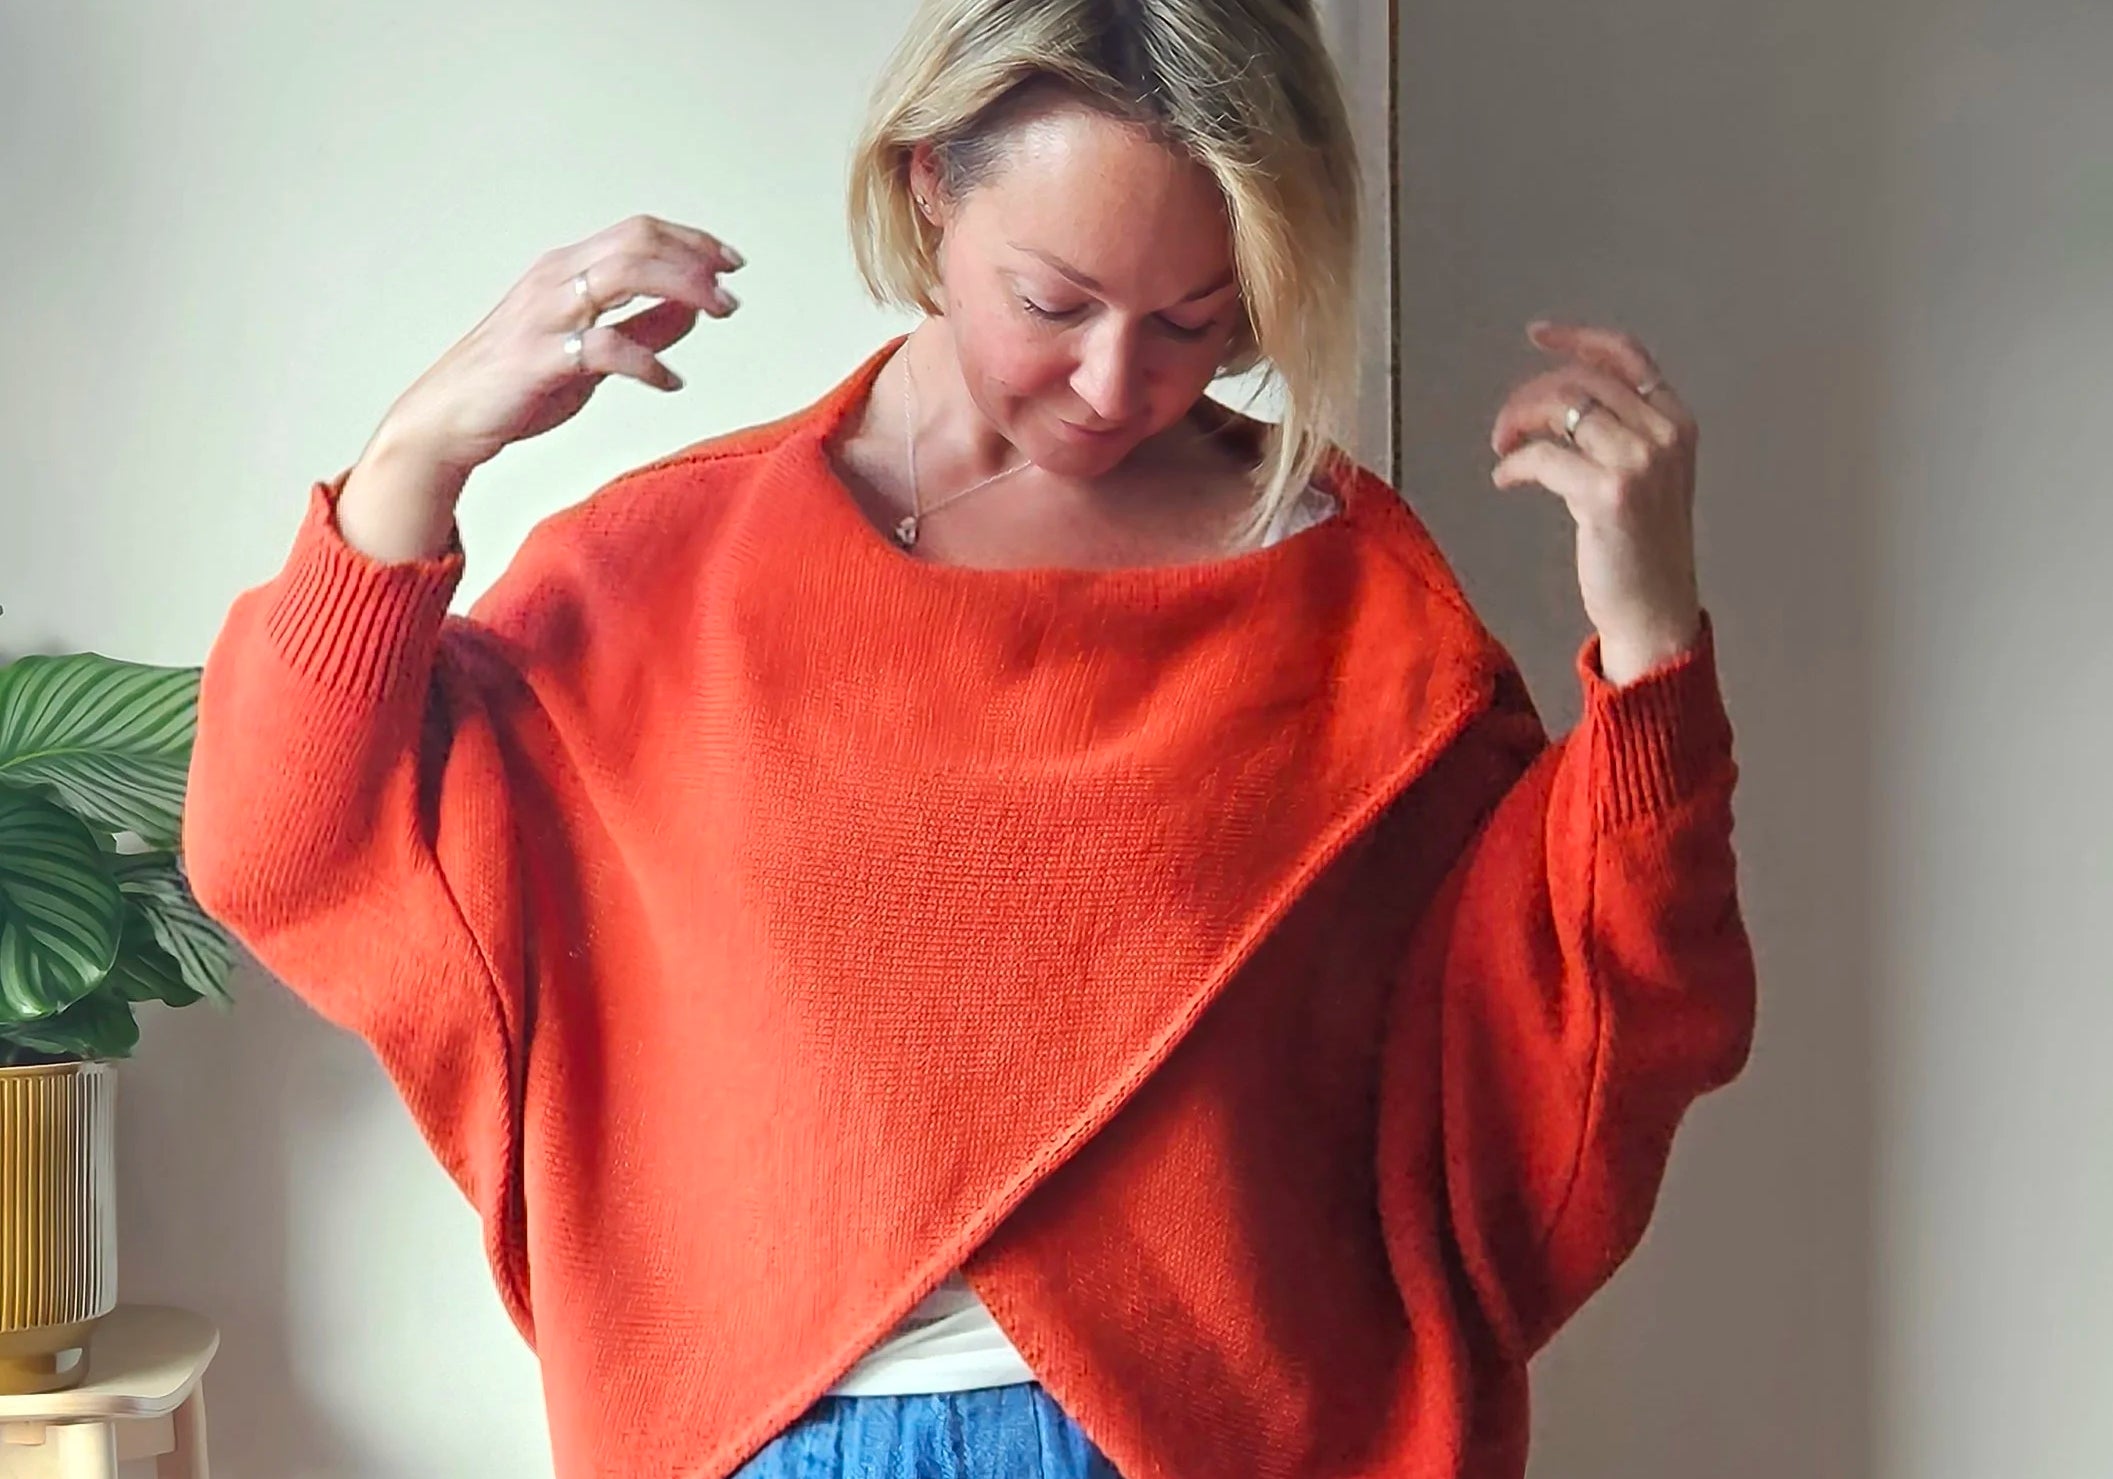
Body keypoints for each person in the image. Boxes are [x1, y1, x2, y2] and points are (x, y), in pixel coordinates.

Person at [183, 1, 1757, 1476]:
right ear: (930, 185)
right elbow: (287, 847)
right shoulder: (670, 571)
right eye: (1052, 302)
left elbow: (1591, 1035)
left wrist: (1648, 638)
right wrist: (419, 455)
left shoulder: (1348, 597)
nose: (1110, 382)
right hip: (762, 1432)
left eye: (1196, 321)